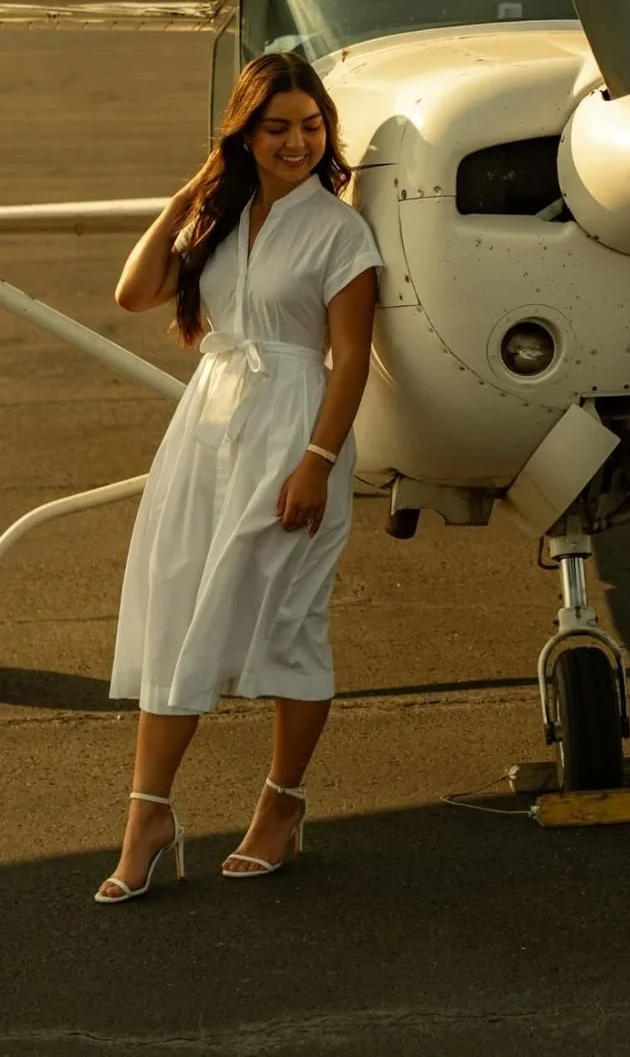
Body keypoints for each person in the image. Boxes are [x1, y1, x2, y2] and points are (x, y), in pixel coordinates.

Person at [94, 52, 382, 903]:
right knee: (178, 609)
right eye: (278, 127)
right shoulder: (220, 218)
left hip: (296, 429)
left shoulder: (340, 230)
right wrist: (193, 192)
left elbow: (353, 356)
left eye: (312, 125)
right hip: (209, 428)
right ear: (245, 133)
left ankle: (282, 803)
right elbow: (134, 292)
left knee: (288, 621)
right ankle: (146, 816)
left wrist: (317, 464)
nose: (298, 141)